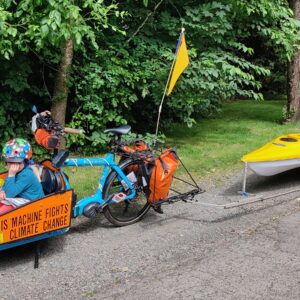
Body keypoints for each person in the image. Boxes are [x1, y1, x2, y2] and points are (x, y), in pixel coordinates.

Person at [0, 138, 45, 214]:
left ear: (24, 161)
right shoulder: (17, 171)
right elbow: (7, 186)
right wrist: (2, 191)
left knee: (6, 208)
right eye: (10, 162)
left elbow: (9, 194)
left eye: (17, 162)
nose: (13, 166)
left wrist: (11, 175)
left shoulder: (26, 175)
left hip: (34, 204)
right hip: (22, 199)